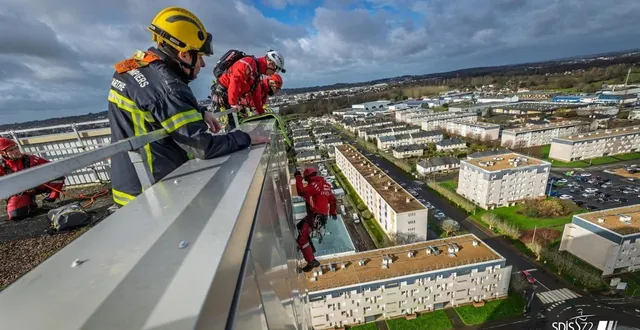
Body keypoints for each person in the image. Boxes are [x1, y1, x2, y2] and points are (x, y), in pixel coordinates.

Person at [107, 7, 269, 207]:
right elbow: (202, 146)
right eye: (199, 57)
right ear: (184, 55)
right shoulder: (169, 87)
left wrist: (199, 111)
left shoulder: (134, 68)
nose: (201, 64)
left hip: (128, 185)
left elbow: (154, 106)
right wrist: (244, 137)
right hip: (152, 195)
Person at [211, 50, 285, 129]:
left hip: (230, 100)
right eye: (275, 70)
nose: (273, 74)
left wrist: (262, 114)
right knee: (220, 127)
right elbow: (235, 80)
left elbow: (256, 95)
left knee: (234, 129)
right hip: (221, 96)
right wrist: (233, 103)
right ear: (271, 64)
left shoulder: (256, 74)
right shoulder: (249, 63)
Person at [0, 137, 64, 221]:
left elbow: (52, 168)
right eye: (11, 150)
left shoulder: (31, 159)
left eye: (16, 148)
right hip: (19, 192)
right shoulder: (1, 166)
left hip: (37, 185)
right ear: (3, 153)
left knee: (58, 176)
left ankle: (49, 201)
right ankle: (30, 204)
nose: (16, 151)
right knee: (16, 215)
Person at [294, 167, 337, 272]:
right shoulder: (326, 185)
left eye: (306, 179)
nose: (306, 181)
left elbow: (301, 192)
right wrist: (332, 212)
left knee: (301, 239)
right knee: (299, 226)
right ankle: (309, 249)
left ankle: (311, 261)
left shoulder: (314, 185)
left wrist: (298, 177)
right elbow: (332, 199)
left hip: (314, 216)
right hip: (320, 217)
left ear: (308, 177)